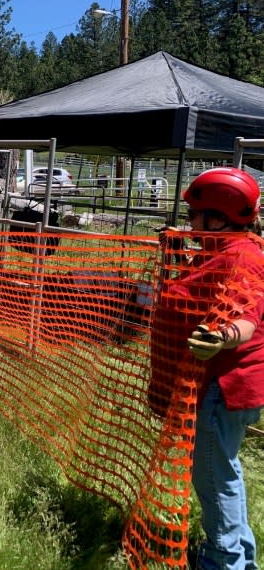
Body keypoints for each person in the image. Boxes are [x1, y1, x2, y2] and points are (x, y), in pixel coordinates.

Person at [153, 167, 264, 569]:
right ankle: (240, 556)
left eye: (194, 215)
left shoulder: (243, 257)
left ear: (218, 217)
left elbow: (248, 318)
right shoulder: (218, 250)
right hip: (215, 383)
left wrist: (223, 337)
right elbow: (193, 291)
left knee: (214, 478)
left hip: (224, 386)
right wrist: (176, 254)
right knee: (223, 472)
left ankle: (223, 562)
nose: (189, 223)